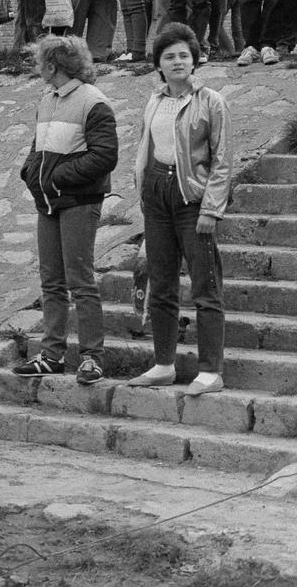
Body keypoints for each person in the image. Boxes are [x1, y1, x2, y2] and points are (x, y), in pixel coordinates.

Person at [128, 24, 231, 397]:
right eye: (169, 56)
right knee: (161, 284)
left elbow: (222, 160)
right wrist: (142, 191)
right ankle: (164, 364)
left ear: (194, 60)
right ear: (158, 63)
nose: (177, 61)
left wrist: (211, 209)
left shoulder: (211, 102)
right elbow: (145, 145)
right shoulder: (154, 100)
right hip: (157, 198)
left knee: (205, 286)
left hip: (193, 201)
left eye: (183, 55)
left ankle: (210, 371)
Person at [14, 35, 117, 385]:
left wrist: (58, 177)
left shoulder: (93, 101)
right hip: (49, 202)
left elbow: (104, 157)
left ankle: (92, 357)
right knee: (51, 281)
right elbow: (37, 146)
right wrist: (31, 173)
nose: (37, 67)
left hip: (78, 202)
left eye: (40, 62)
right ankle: (52, 354)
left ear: (52, 65)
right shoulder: (48, 99)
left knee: (80, 280)